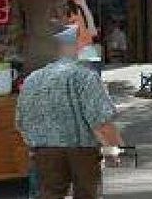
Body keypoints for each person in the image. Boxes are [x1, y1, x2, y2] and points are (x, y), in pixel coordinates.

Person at [16, 25, 123, 199]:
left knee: (49, 194)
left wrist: (34, 146)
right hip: (82, 150)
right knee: (87, 194)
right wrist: (113, 148)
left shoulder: (32, 80)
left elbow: (22, 120)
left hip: (45, 151)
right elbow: (101, 121)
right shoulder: (85, 76)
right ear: (72, 47)